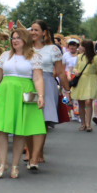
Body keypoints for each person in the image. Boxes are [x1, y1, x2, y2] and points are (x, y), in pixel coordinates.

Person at [0, 26, 46, 177]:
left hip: (24, 93)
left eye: (18, 38)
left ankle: (15, 165)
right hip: (5, 92)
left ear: (25, 40)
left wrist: (41, 96)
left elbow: (37, 78)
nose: (15, 41)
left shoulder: (34, 57)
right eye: (13, 38)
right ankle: (3, 164)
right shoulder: (5, 56)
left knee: (20, 130)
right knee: (0, 129)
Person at [29, 20, 64, 166]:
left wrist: (67, 90)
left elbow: (61, 72)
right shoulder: (25, 48)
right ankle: (32, 152)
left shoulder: (52, 50)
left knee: (43, 120)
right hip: (29, 84)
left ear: (44, 32)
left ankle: (35, 155)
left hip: (48, 84)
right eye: (31, 30)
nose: (33, 32)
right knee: (30, 118)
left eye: (37, 30)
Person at [70, 39, 97, 132]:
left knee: (88, 102)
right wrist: (76, 71)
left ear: (87, 47)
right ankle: (83, 124)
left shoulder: (96, 58)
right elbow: (75, 68)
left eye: (82, 46)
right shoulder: (79, 57)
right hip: (81, 81)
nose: (80, 47)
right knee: (81, 103)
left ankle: (88, 124)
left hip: (91, 80)